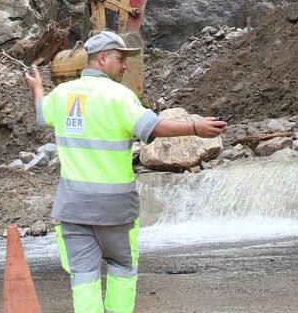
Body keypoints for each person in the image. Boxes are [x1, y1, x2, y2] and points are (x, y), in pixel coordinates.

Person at [26, 31, 228, 313]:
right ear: (102, 58)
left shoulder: (61, 95)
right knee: (122, 271)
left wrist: (36, 87)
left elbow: (40, 112)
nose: (124, 66)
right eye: (121, 59)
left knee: (83, 279)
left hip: (73, 210)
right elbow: (153, 127)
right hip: (115, 211)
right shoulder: (119, 96)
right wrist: (195, 128)